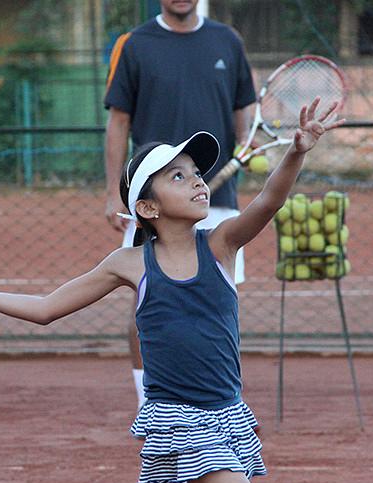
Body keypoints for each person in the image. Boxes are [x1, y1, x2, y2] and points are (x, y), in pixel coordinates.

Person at [0, 97, 344, 483]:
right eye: (178, 177)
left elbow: (269, 201)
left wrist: (296, 151)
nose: (198, 182)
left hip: (226, 410)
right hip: (179, 419)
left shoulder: (222, 244)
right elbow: (45, 309)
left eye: (197, 174)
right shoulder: (128, 264)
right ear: (147, 208)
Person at [103, 0, 256, 410]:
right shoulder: (135, 44)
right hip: (152, 199)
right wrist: (113, 193)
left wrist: (246, 141)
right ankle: (148, 401)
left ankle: (226, 399)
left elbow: (245, 107)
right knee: (145, 298)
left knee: (220, 304)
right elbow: (119, 121)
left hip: (214, 198)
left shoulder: (228, 40)